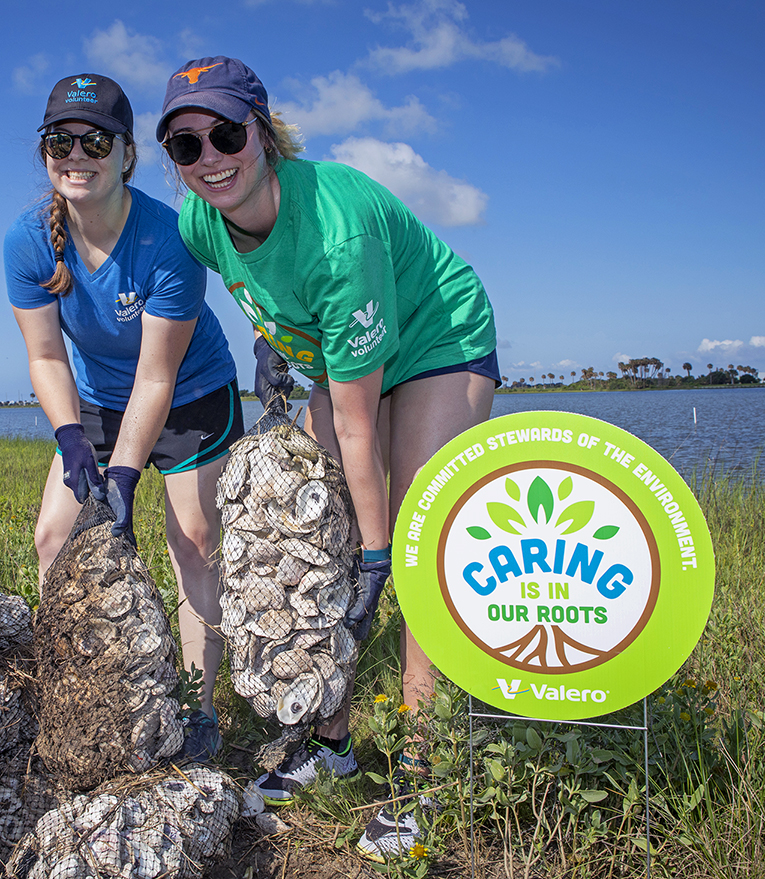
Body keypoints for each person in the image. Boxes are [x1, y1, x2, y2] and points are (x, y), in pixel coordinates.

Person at [156, 56, 498, 858]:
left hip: (436, 337)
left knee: (418, 541)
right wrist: (272, 345)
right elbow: (262, 289)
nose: (209, 159)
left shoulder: (339, 233)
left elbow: (353, 426)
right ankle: (332, 743)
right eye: (184, 145)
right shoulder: (199, 223)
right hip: (347, 355)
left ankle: (423, 775)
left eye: (226, 133)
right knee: (310, 538)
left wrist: (378, 554)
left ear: (264, 134)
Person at [4, 73, 245, 762]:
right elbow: (46, 356)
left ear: (126, 153)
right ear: (45, 149)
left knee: (194, 541)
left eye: (95, 139)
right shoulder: (28, 241)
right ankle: (77, 695)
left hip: (192, 392)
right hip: (95, 399)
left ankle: (200, 712)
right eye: (61, 139)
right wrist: (70, 433)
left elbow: (157, 375)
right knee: (55, 536)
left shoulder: (168, 239)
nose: (77, 153)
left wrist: (125, 474)